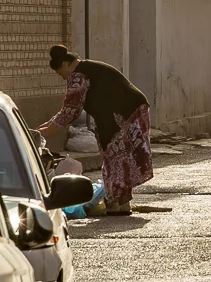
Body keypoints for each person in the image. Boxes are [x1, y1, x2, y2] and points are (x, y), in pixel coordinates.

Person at [38, 44, 153, 215]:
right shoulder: (87, 68)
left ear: (64, 65)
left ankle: (118, 204)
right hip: (126, 111)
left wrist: (45, 130)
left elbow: (71, 110)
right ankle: (121, 204)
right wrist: (46, 126)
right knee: (117, 157)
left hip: (123, 114)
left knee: (117, 156)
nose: (62, 78)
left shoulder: (78, 76)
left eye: (59, 73)